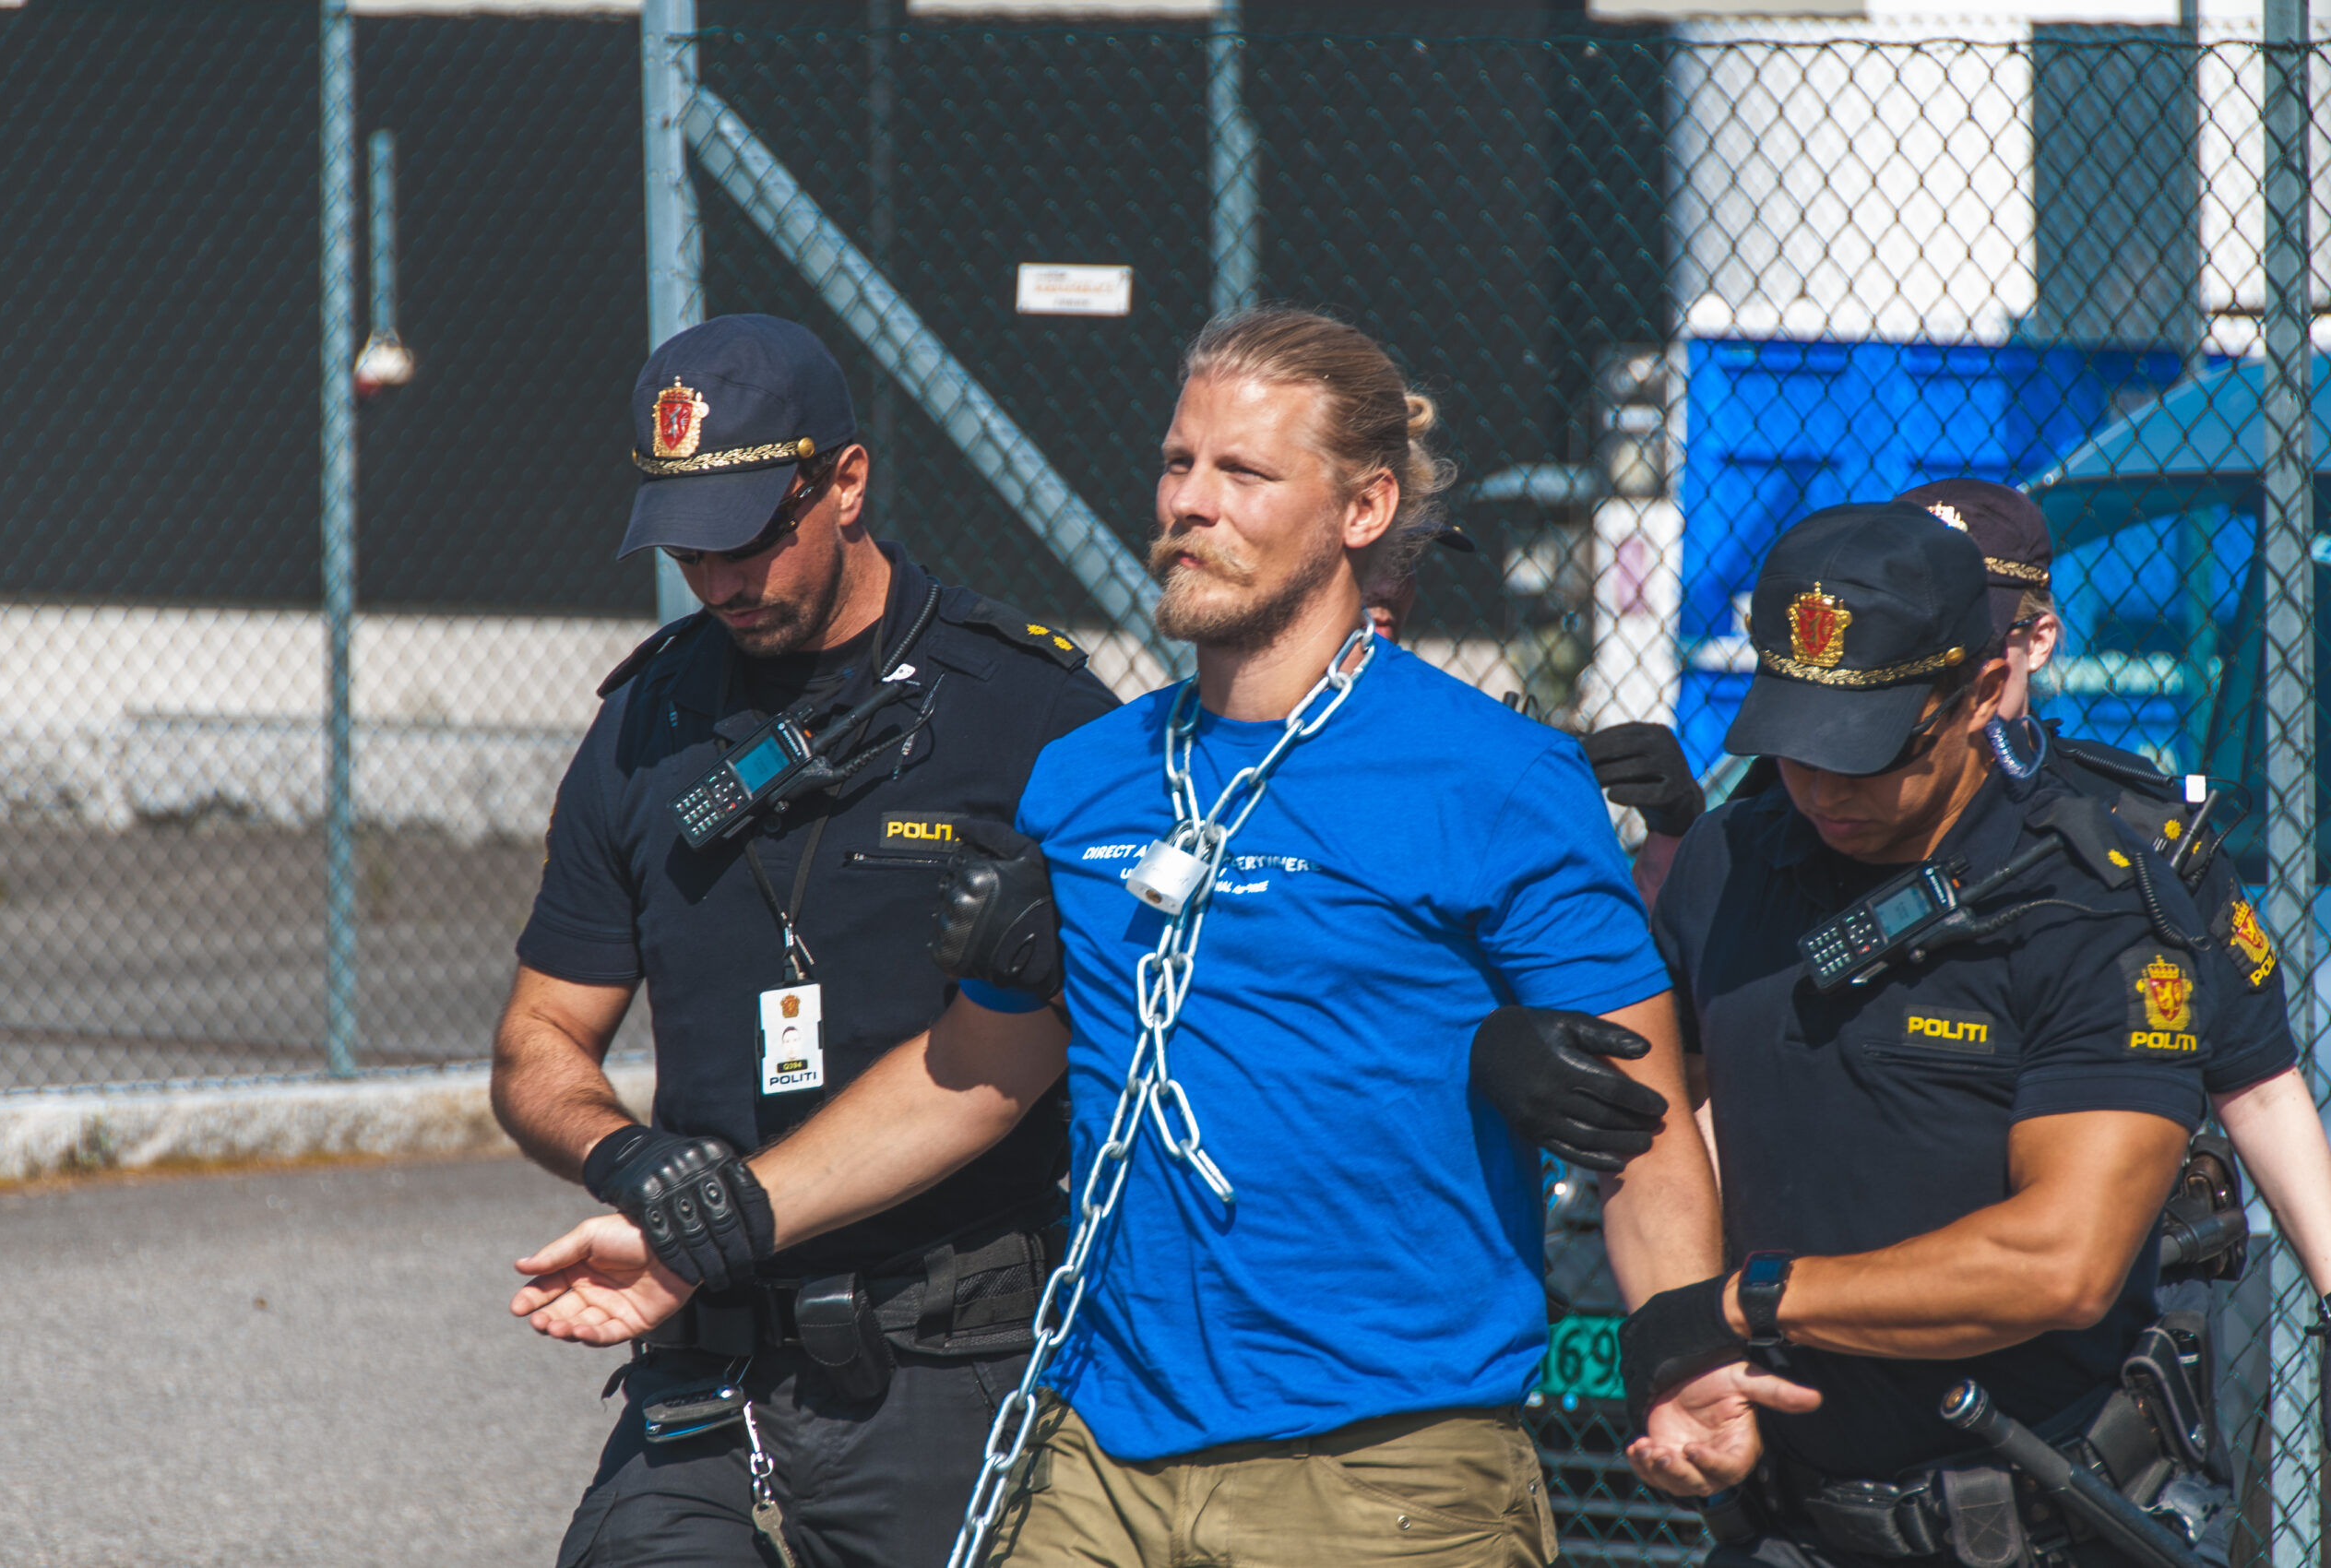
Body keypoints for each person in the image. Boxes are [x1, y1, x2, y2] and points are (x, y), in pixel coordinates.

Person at [508, 306, 1730, 1568]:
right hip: (1103, 1462)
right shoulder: (1087, 779)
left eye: (1244, 474)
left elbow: (1632, 1112)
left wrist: (1685, 1350)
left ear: (1363, 510)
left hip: (1379, 1474)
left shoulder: (1500, 778)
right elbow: (971, 1077)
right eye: (1178, 463)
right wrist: (707, 1228)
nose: (1191, 504)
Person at [491, 314, 1117, 1568]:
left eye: (749, 540)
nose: (720, 582)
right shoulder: (645, 725)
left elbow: (1055, 1041)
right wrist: (629, 1164)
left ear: (845, 482)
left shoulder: (1032, 714)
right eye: (686, 548)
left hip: (952, 1367)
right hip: (708, 1358)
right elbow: (537, 1041)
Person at [1622, 501, 2235, 1567]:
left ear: (1976, 695)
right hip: (1789, 1522)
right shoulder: (1731, 861)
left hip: (2040, 1518)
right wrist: (1689, 1363)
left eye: (1865, 753)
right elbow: (1648, 1111)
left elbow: (2060, 1261)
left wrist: (1744, 1302)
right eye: (1794, 743)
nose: (1819, 787)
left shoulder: (2090, 906)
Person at [1898, 477, 2331, 1311]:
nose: (1949, 677)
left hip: (2053, 1321)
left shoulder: (2140, 833)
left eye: (1973, 643)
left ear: (2041, 639)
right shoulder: (1793, 819)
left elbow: (2261, 1084)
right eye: (1918, 643)